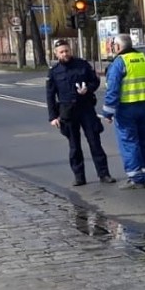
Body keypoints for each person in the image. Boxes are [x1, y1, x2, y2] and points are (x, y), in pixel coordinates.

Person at [46, 37, 116, 187]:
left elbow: (95, 81)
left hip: (86, 109)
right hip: (67, 112)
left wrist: (88, 89)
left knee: (95, 143)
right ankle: (79, 177)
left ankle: (104, 174)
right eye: (61, 52)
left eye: (67, 50)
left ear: (71, 50)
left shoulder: (82, 65)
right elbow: (50, 95)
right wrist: (53, 117)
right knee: (74, 146)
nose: (65, 54)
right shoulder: (54, 72)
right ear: (56, 54)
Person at [102, 32, 145, 189]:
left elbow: (113, 89)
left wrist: (108, 112)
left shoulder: (119, 62)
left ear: (118, 46)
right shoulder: (143, 60)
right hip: (144, 107)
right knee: (143, 141)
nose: (112, 48)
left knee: (129, 143)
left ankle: (136, 178)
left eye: (113, 46)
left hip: (126, 109)